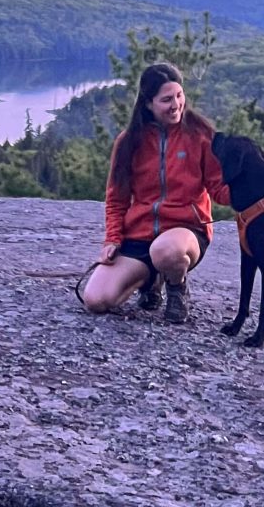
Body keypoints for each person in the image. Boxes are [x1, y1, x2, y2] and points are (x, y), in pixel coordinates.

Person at [78, 61, 230, 326]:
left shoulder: (201, 136)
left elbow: (218, 187)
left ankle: (176, 286)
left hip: (185, 233)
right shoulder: (129, 142)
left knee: (166, 251)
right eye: (166, 99)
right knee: (96, 300)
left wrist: (256, 195)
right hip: (139, 236)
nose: (176, 105)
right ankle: (151, 281)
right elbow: (117, 198)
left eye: (179, 95)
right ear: (148, 104)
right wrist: (113, 239)